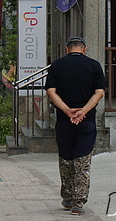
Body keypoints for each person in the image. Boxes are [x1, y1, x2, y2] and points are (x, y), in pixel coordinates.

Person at [44, 37, 105, 216]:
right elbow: (99, 92)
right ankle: (78, 203)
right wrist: (83, 111)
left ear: (66, 49)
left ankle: (68, 197)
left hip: (64, 121)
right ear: (84, 49)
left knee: (66, 159)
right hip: (86, 121)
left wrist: (67, 111)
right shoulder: (94, 65)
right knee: (83, 161)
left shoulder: (56, 65)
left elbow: (50, 91)